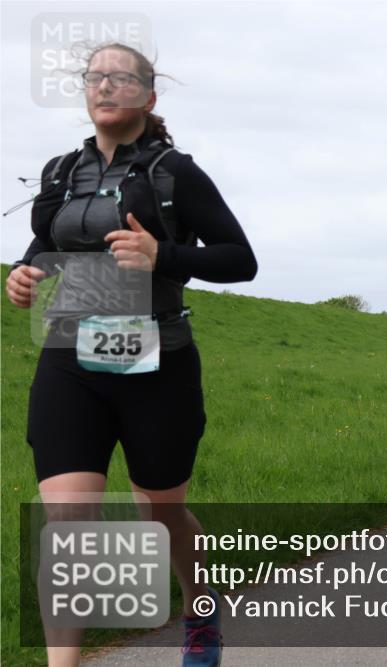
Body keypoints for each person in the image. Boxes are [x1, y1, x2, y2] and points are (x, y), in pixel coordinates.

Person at [6, 43, 257, 667]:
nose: (104, 86)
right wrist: (26, 269)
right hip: (69, 354)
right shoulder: (62, 170)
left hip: (157, 361)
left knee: (162, 510)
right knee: (65, 519)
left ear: (148, 95)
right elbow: (49, 233)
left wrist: (162, 256)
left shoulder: (177, 175)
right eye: (95, 77)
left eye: (120, 78)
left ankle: (201, 617)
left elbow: (239, 260)